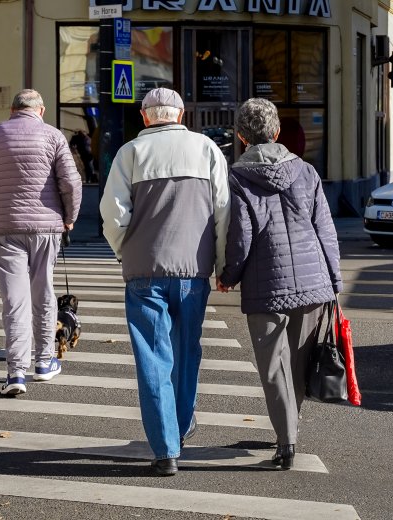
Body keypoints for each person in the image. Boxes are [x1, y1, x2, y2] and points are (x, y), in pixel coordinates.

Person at [100, 87, 230, 476]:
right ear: (181, 113)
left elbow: (112, 213)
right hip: (193, 271)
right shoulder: (207, 149)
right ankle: (182, 424)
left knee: (153, 359)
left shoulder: (130, 154)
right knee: (187, 351)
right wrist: (221, 263)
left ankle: (165, 449)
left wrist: (127, 250)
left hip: (144, 272)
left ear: (145, 117)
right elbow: (224, 212)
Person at [217, 98, 342, 471]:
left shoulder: (238, 177)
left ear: (241, 137)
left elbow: (241, 237)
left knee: (274, 367)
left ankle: (286, 440)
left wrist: (227, 276)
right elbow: (326, 230)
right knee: (299, 364)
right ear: (276, 133)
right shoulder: (306, 171)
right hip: (313, 283)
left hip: (266, 287)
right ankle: (289, 429)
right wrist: (334, 282)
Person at [0, 89, 82, 396]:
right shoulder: (54, 136)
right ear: (40, 110)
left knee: (14, 302)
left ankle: (16, 373)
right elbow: (71, 182)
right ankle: (44, 363)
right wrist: (69, 217)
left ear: (13, 111)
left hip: (6, 228)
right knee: (43, 294)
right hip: (46, 229)